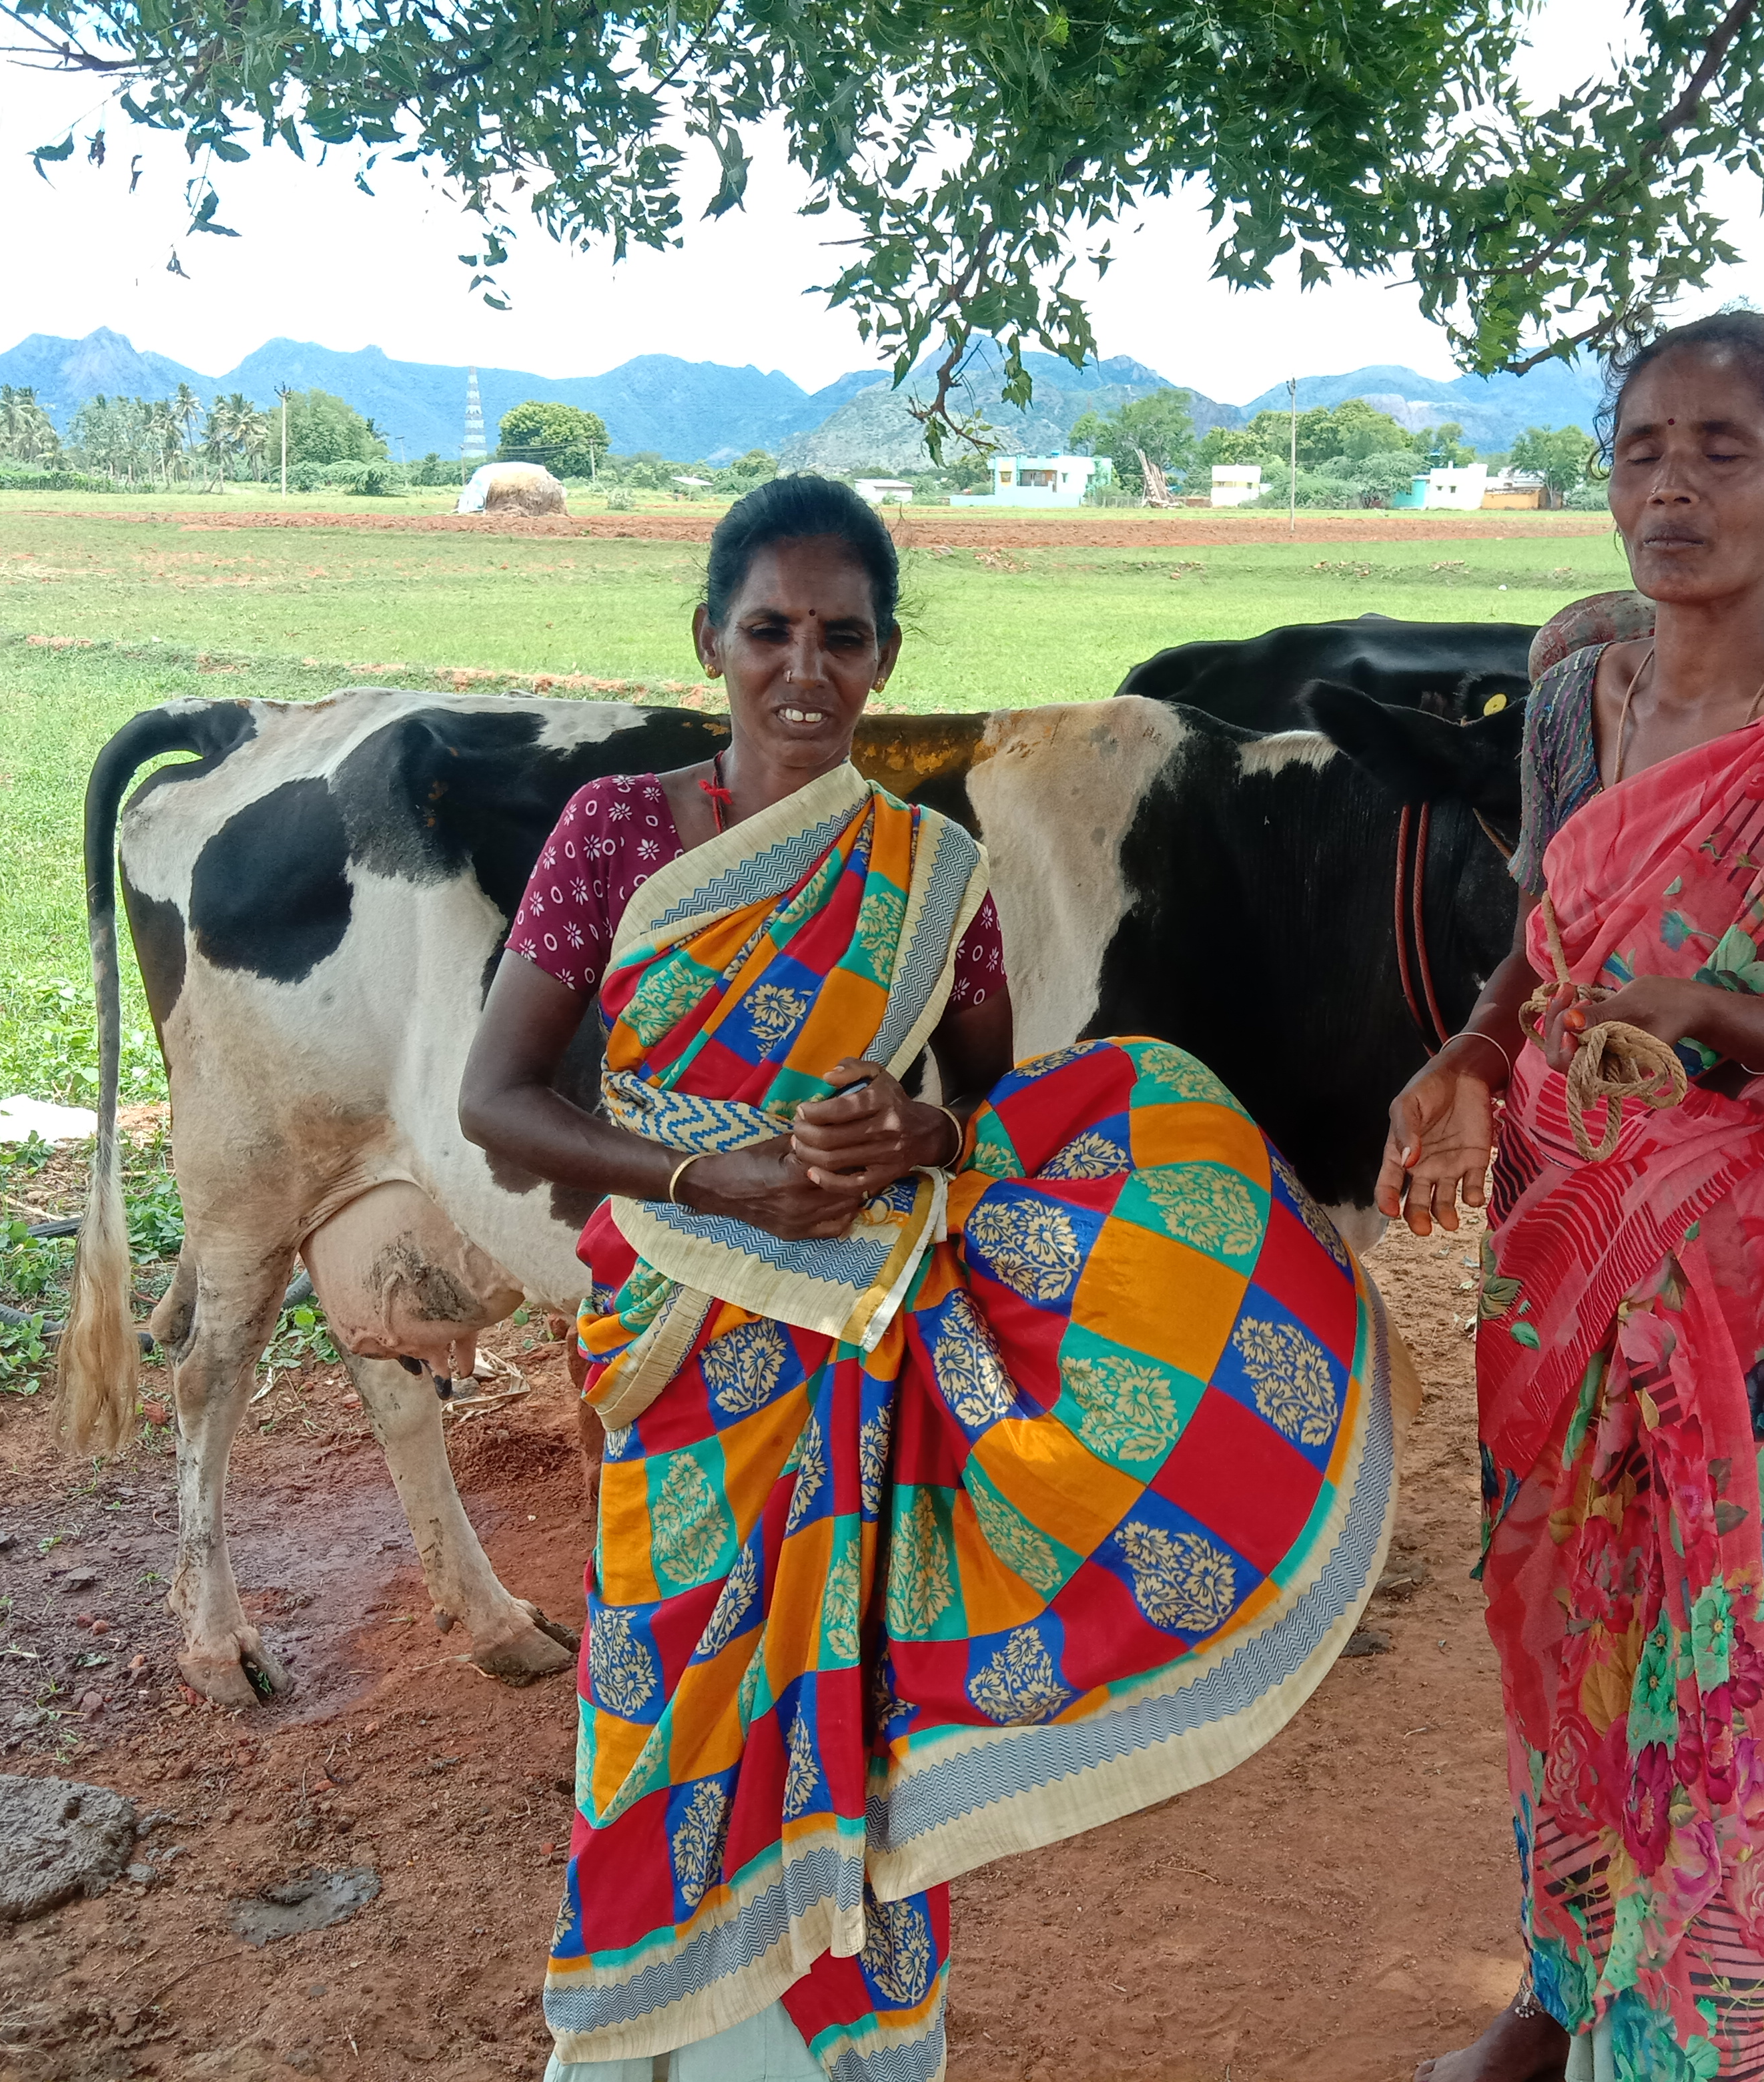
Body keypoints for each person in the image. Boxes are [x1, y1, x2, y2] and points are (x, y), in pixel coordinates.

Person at [461, 474, 1398, 2082]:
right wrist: (709, 1174)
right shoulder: (617, 831)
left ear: (886, 656)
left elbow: (991, 1118)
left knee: (859, 1701)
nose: (802, 669)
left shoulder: (928, 868)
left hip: (862, 1353)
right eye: (769, 631)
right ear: (710, 640)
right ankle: (652, 2047)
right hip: (682, 1344)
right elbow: (500, 1102)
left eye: (841, 636)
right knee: (664, 1711)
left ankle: (843, 2054)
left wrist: (913, 1132)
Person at [1382, 314, 1764, 2081]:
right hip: (1562, 1245)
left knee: (1727, 1655)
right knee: (1565, 1626)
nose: (1673, 482)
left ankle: (1696, 2035)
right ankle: (1565, 1986)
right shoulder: (1585, 693)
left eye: (1724, 450)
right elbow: (1541, 944)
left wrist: (1715, 1017)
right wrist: (1478, 1063)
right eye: (1642, 446)